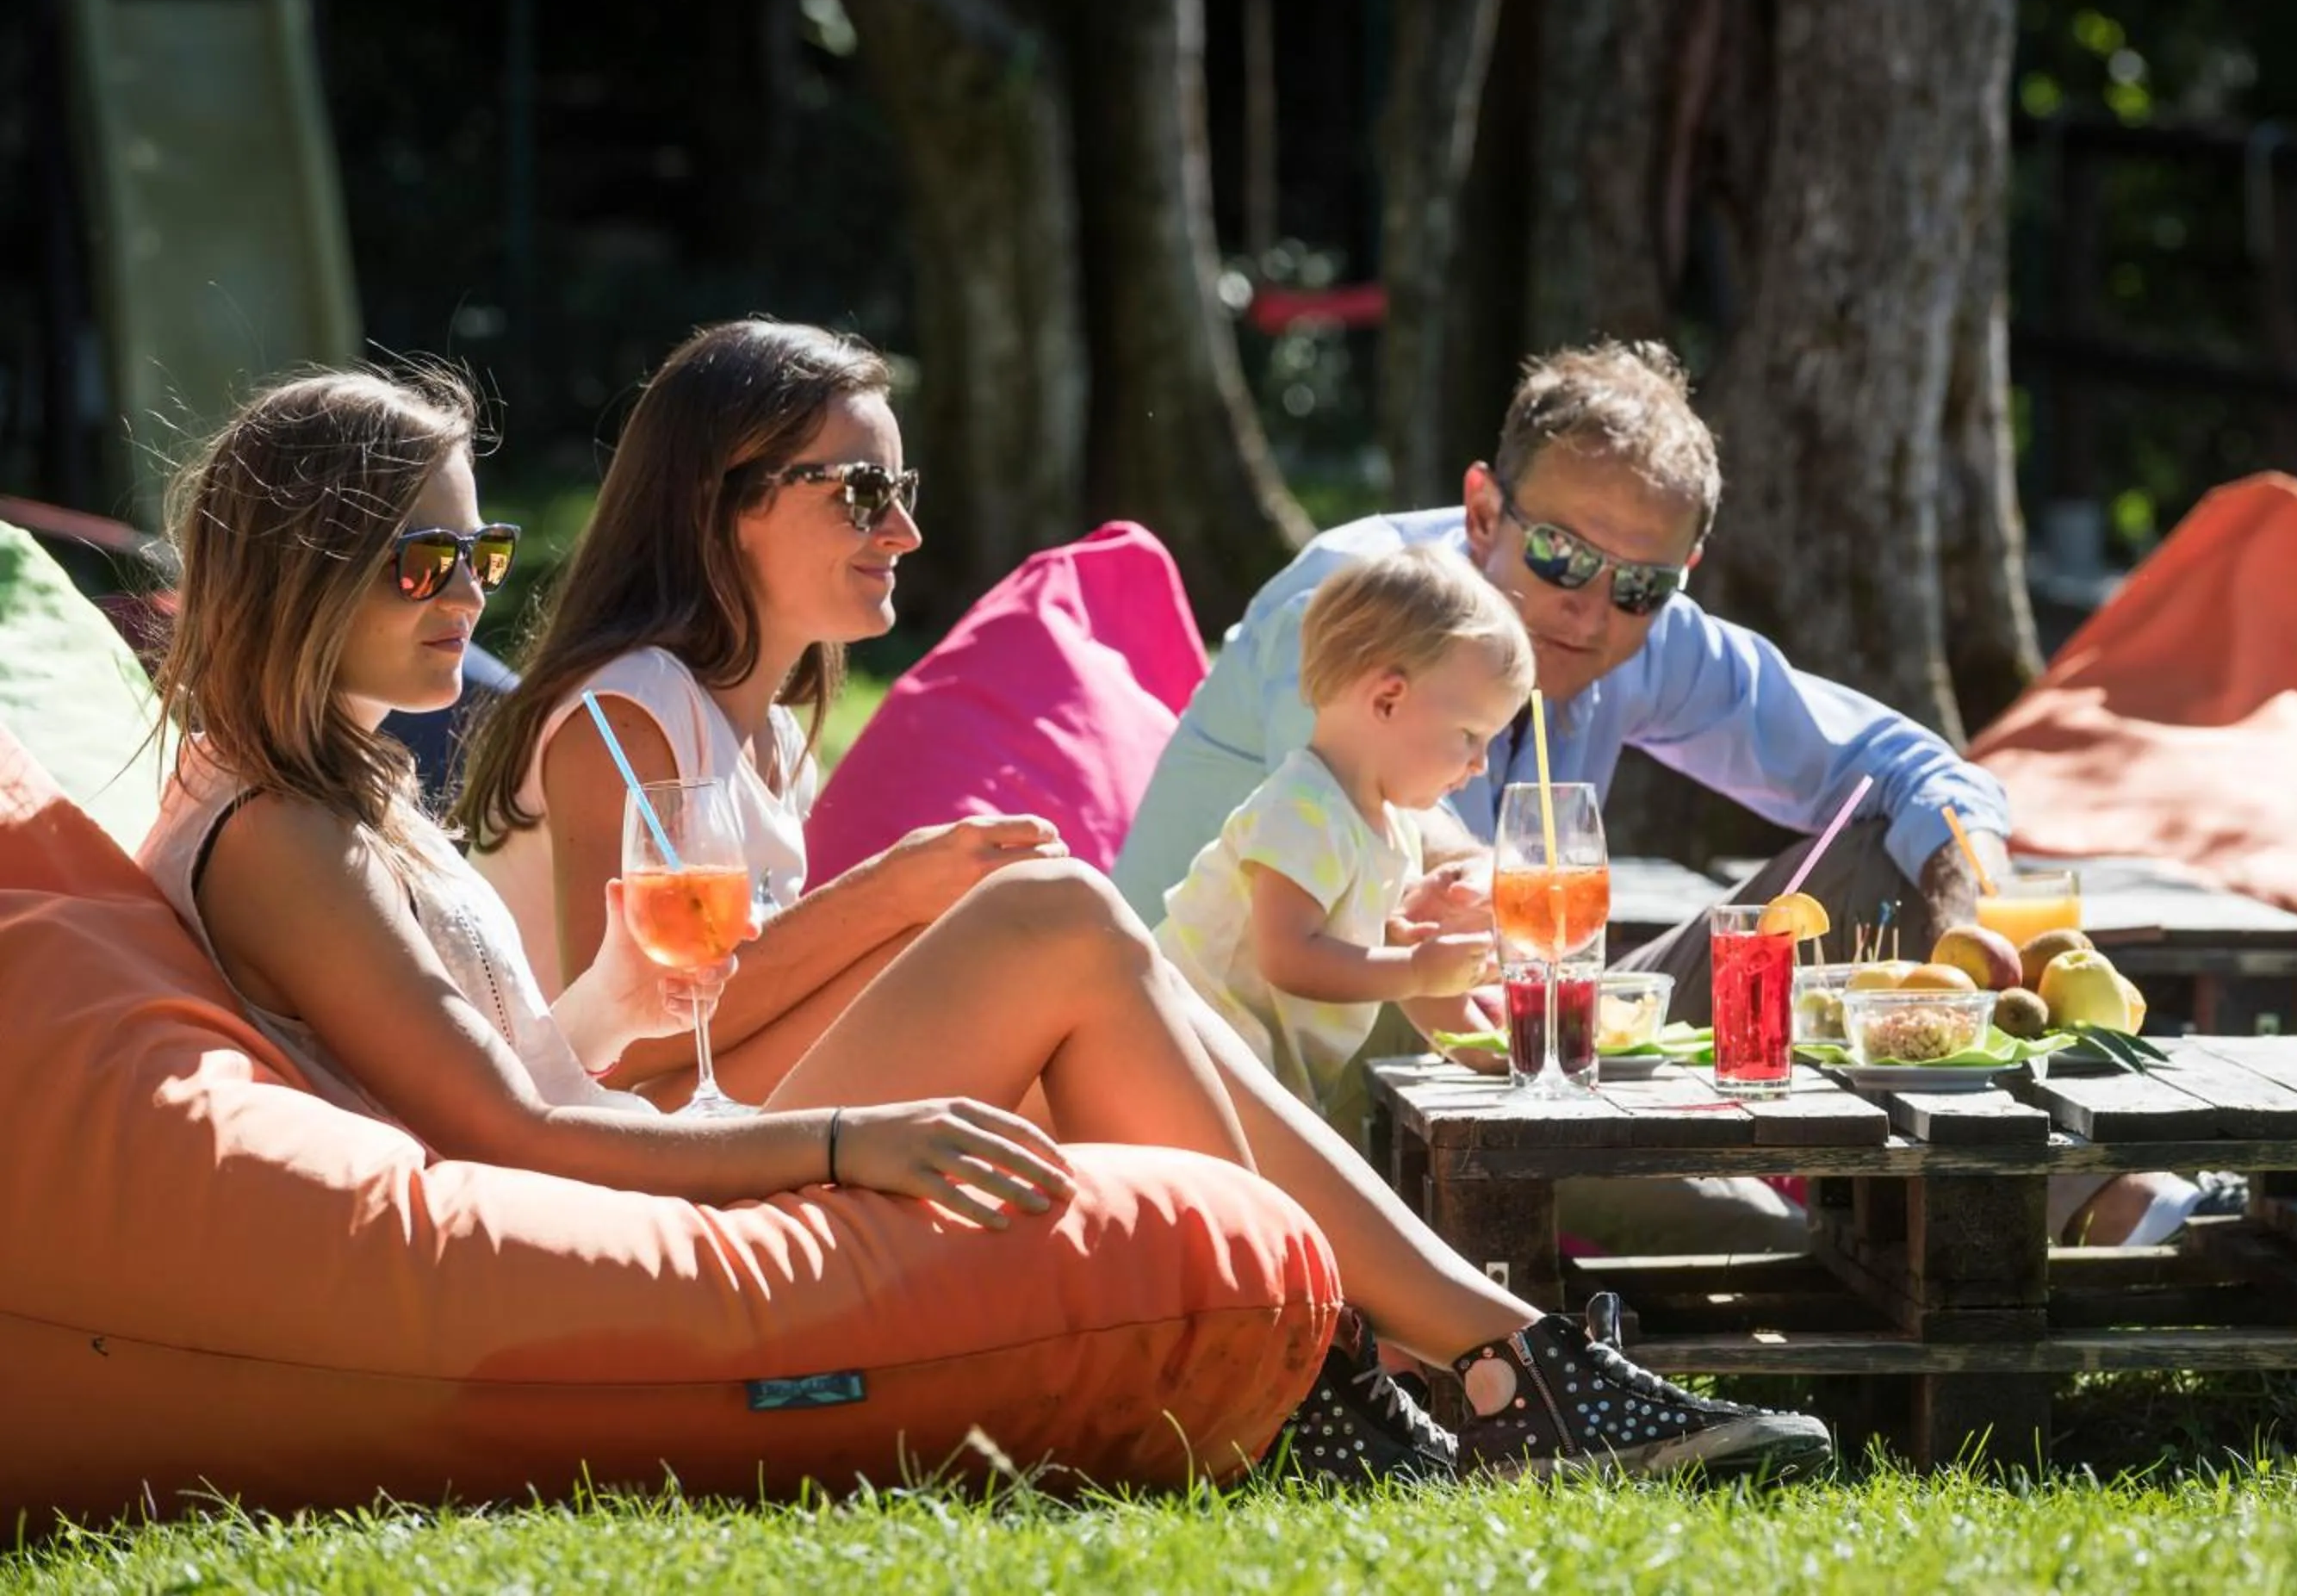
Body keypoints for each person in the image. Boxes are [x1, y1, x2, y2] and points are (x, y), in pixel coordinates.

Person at [421, 324, 1834, 1480]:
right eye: (863, 492)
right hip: (660, 1200)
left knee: (1075, 937)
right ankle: (1458, 1365)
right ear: (720, 498)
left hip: (764, 1134)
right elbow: (630, 1058)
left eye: (903, 490)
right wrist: (899, 892)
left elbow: (750, 1013)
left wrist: (917, 918)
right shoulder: (631, 718)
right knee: (1061, 917)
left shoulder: (753, 714)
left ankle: (1421, 1361)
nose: (906, 528)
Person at [1113, 339, 2205, 1249]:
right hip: (1277, 1052)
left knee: (1880, 854)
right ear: (1482, 512)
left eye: (1641, 584)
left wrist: (1971, 911)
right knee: (1500, 1033)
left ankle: (2069, 1199)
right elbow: (1363, 902)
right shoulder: (1361, 605)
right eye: (1559, 554)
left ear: (1684, 574)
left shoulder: (1651, 642)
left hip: (1505, 1001)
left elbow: (1917, 770)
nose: (1591, 611)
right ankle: (1837, 1251)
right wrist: (1500, 934)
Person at [1155, 546, 1526, 1117]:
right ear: (1387, 699)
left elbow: (1403, 978)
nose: (1479, 764)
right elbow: (1289, 957)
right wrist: (1415, 970)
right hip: (1182, 1061)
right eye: (1470, 735)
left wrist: (1482, 1046)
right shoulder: (1303, 809)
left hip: (1248, 1080)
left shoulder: (1387, 825)